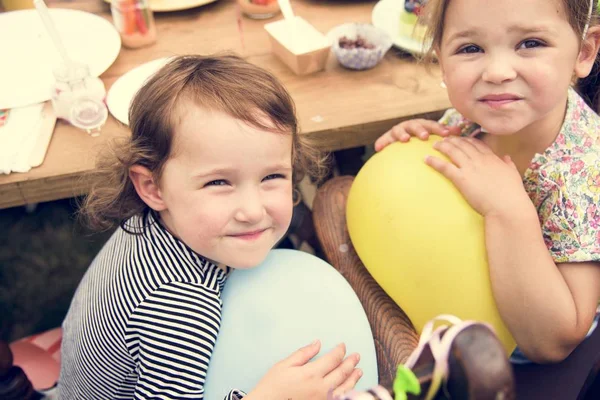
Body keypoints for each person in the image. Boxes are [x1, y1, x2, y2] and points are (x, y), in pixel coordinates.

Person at [58, 54, 363, 399]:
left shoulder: (154, 222)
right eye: (219, 183)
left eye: (272, 176)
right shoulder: (181, 310)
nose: (251, 210)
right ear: (153, 187)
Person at [375, 0, 600, 364]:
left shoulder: (581, 172)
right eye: (470, 48)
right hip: (444, 325)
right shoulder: (471, 121)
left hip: (519, 369)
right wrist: (415, 151)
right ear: (441, 60)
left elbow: (558, 340)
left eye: (530, 43)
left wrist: (508, 209)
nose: (496, 72)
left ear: (584, 51)